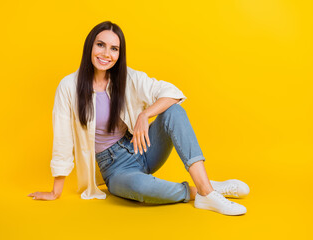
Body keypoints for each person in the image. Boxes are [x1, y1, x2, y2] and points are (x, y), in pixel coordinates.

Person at [28, 21, 250, 216]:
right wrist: (56, 190)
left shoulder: (128, 77)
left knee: (173, 111)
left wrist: (146, 114)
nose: (106, 54)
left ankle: (207, 190)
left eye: (114, 49)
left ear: (119, 54)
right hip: (115, 169)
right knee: (139, 189)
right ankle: (202, 191)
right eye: (100, 45)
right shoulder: (68, 87)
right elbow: (63, 138)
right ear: (90, 46)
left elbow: (172, 92)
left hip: (140, 146)